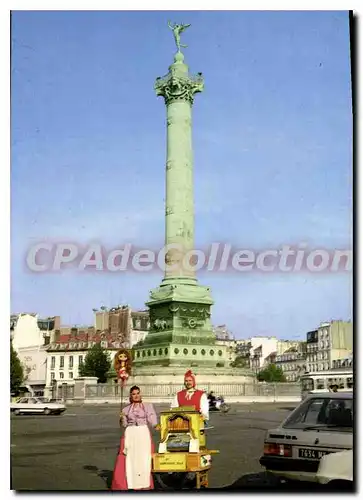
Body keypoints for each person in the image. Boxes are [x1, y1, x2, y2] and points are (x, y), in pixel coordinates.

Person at [111, 386, 159, 490]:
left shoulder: (147, 406)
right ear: (131, 396)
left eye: (138, 393)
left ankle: (144, 483)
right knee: (131, 459)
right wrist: (121, 418)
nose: (136, 396)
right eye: (134, 394)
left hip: (143, 433)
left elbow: (151, 417)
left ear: (140, 394)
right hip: (131, 433)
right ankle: (132, 483)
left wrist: (155, 425)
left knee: (144, 458)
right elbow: (124, 425)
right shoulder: (126, 409)